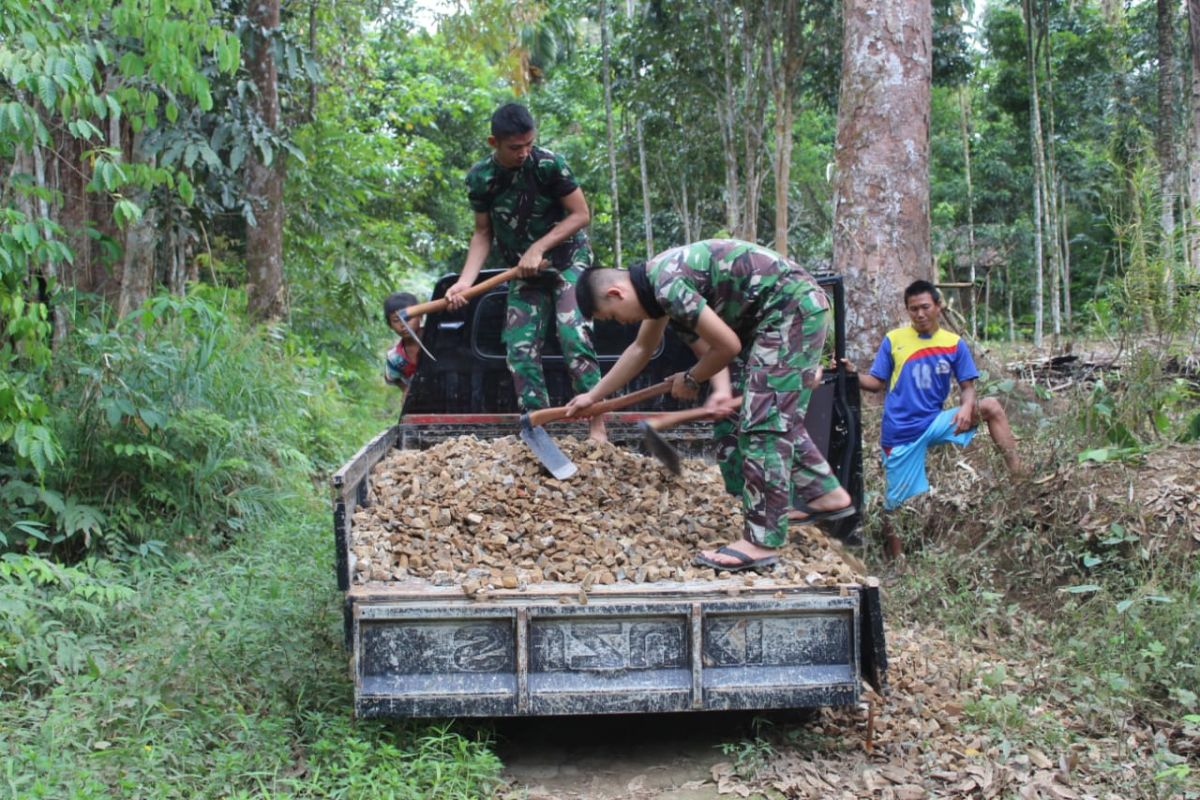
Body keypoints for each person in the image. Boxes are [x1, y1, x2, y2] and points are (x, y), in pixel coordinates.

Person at [566, 239, 854, 573]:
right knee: (770, 414)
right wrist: (594, 397)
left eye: (614, 317)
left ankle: (761, 542)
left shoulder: (666, 284)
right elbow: (640, 349)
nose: (622, 323)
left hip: (791, 310)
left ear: (616, 293)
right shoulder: (656, 284)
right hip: (779, 315)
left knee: (763, 423)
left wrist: (691, 379)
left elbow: (727, 346)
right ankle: (826, 496)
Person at [445, 103, 607, 441]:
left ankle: (596, 424)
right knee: (519, 348)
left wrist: (539, 247)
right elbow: (482, 233)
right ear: (494, 142)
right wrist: (464, 282)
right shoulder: (481, 179)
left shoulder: (548, 164)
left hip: (567, 259)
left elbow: (580, 215)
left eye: (529, 144)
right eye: (515, 147)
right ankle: (538, 429)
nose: (524, 153)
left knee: (573, 335)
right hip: (523, 270)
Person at [843, 280, 1023, 557]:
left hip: (937, 421)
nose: (920, 314)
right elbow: (875, 383)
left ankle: (1019, 477)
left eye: (925, 307)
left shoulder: (954, 344)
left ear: (938, 307)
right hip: (901, 432)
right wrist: (852, 373)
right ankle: (897, 560)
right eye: (913, 309)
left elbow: (968, 387)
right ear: (907, 311)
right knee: (895, 501)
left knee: (991, 406)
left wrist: (965, 408)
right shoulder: (894, 340)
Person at [383, 292, 422, 391]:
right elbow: (393, 378)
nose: (403, 324)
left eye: (407, 318)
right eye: (396, 320)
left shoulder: (437, 338)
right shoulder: (394, 357)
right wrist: (405, 390)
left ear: (420, 316)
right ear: (389, 324)